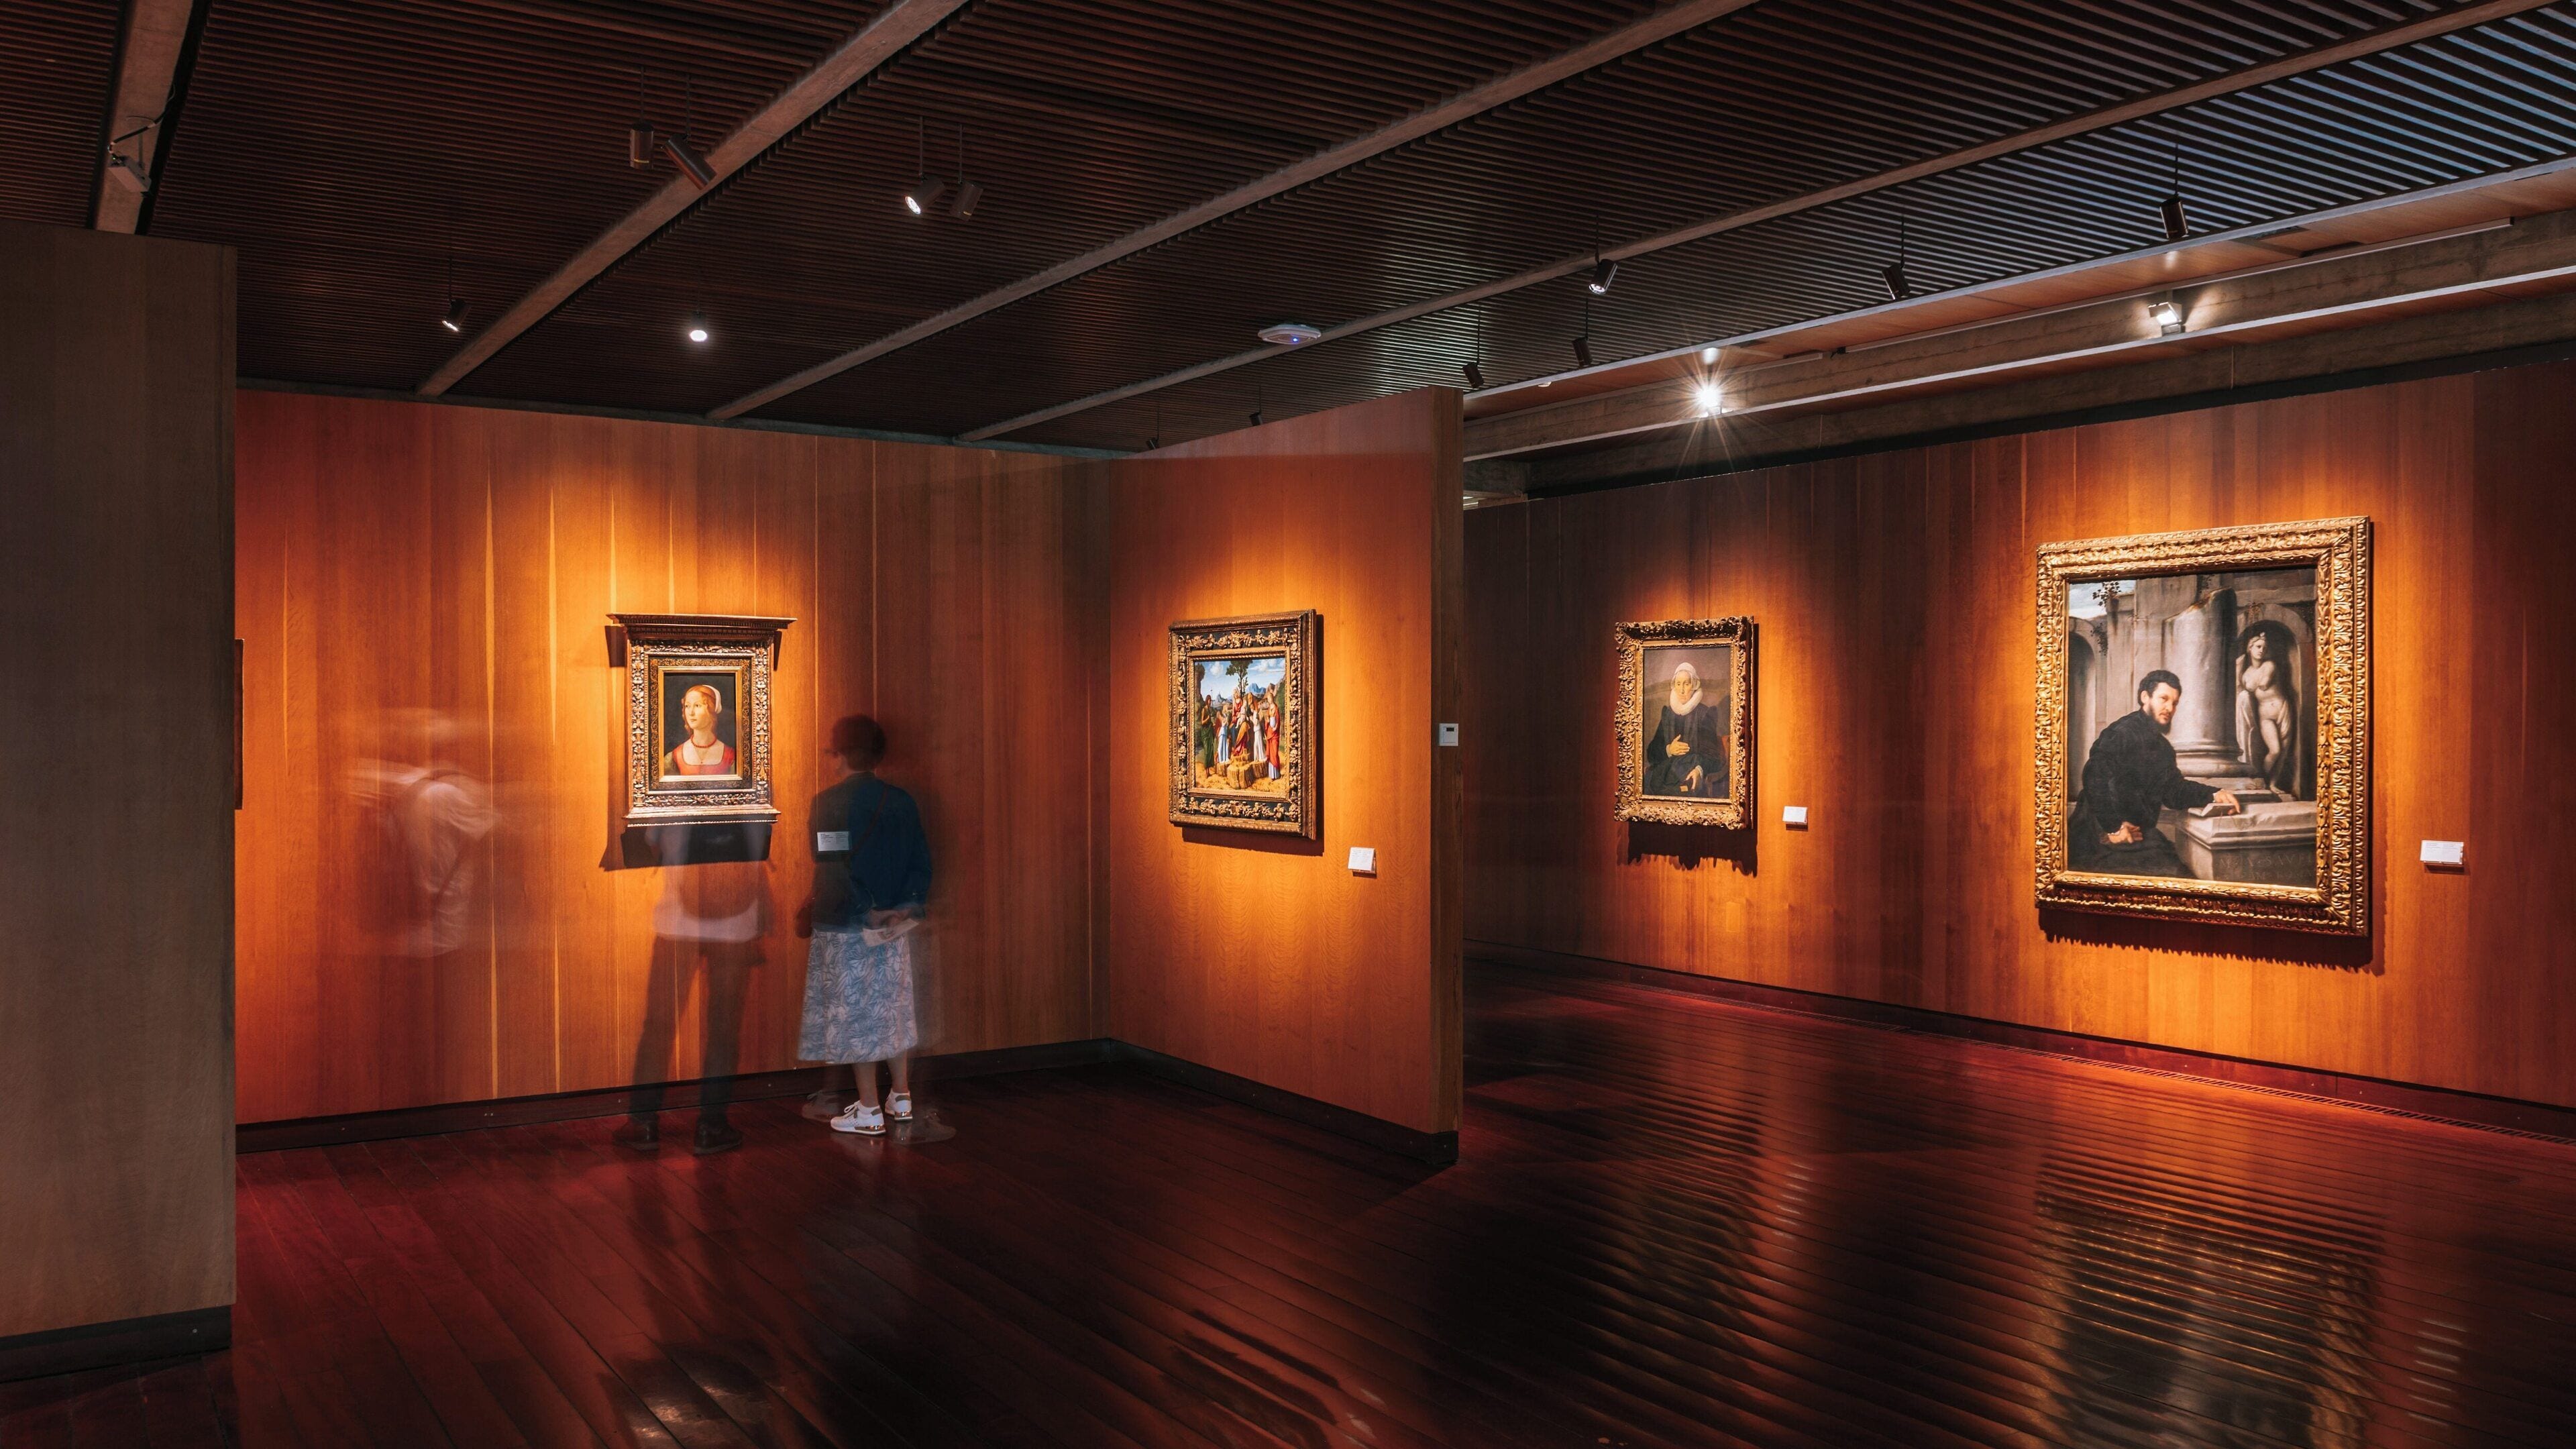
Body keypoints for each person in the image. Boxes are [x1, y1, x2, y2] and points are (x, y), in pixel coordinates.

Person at [795, 714, 931, 1137]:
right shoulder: (902, 801)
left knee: (856, 1015)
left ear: (840, 754)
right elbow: (920, 861)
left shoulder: (828, 802)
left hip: (846, 925)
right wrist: (902, 909)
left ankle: (869, 1109)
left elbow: (831, 867)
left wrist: (865, 909)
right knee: (892, 1008)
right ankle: (902, 1097)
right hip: (894, 927)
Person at [2069, 669, 2242, 877]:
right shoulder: (2122, 732)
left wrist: (2213, 794)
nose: (2170, 708)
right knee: (2176, 877)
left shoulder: (2163, 748)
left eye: (2175, 703)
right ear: (2145, 697)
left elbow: (2173, 791)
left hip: (2137, 834)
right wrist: (2113, 828)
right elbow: (2094, 776)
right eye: (2164, 699)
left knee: (2180, 876)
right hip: (2099, 836)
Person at [1642, 662, 1728, 798]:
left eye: (1686, 684)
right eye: (1678, 684)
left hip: (1689, 776)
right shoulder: (1668, 714)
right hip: (1665, 774)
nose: (1682, 690)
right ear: (1674, 687)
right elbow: (1651, 754)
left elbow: (1714, 758)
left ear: (1694, 686)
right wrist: (1669, 750)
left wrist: (1699, 770)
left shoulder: (1705, 714)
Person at [2235, 631, 2300, 796]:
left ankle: (2273, 784)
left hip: (2282, 710)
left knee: (2283, 752)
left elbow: (2263, 684)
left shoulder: (2270, 665)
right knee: (2275, 750)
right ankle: (2261, 780)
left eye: (2264, 648)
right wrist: (2238, 669)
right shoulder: (2246, 672)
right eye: (2258, 647)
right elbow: (2244, 689)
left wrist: (2249, 681)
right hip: (2265, 715)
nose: (2261, 650)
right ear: (2250, 648)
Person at [663, 683, 738, 776]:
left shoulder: (730, 757)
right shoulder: (675, 757)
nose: (691, 713)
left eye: (697, 706)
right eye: (687, 706)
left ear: (712, 709)